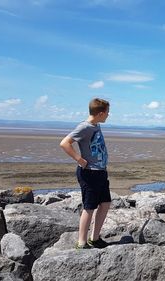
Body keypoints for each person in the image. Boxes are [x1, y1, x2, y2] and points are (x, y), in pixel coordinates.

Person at [60, 98, 111, 249]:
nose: (108, 115)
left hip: (100, 172)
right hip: (89, 174)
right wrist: (79, 159)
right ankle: (82, 242)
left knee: (106, 203)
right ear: (101, 113)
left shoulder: (96, 125)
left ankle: (94, 238)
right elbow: (64, 143)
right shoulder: (85, 127)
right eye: (107, 112)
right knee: (89, 207)